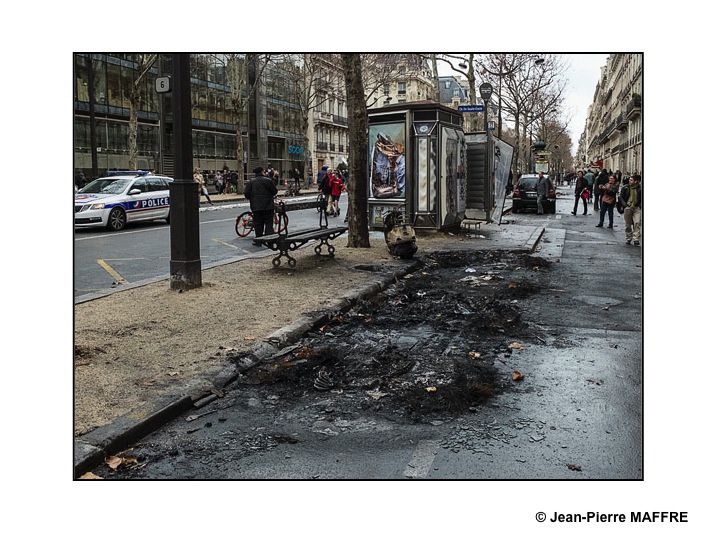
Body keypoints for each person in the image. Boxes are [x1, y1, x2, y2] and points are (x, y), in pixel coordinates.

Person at [244, 167, 278, 245]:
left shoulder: (251, 182)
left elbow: (246, 194)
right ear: (262, 172)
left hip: (256, 207)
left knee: (258, 224)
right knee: (268, 223)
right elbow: (274, 191)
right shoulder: (268, 180)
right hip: (268, 206)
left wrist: (252, 199)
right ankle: (269, 241)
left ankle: (259, 241)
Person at [619, 174, 642, 246]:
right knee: (628, 224)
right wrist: (624, 205)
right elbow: (620, 197)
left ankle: (636, 239)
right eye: (629, 180)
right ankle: (628, 238)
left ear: (636, 181)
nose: (629, 181)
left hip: (636, 207)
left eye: (631, 180)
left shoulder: (640, 188)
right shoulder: (625, 187)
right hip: (628, 207)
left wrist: (640, 205)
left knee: (637, 222)